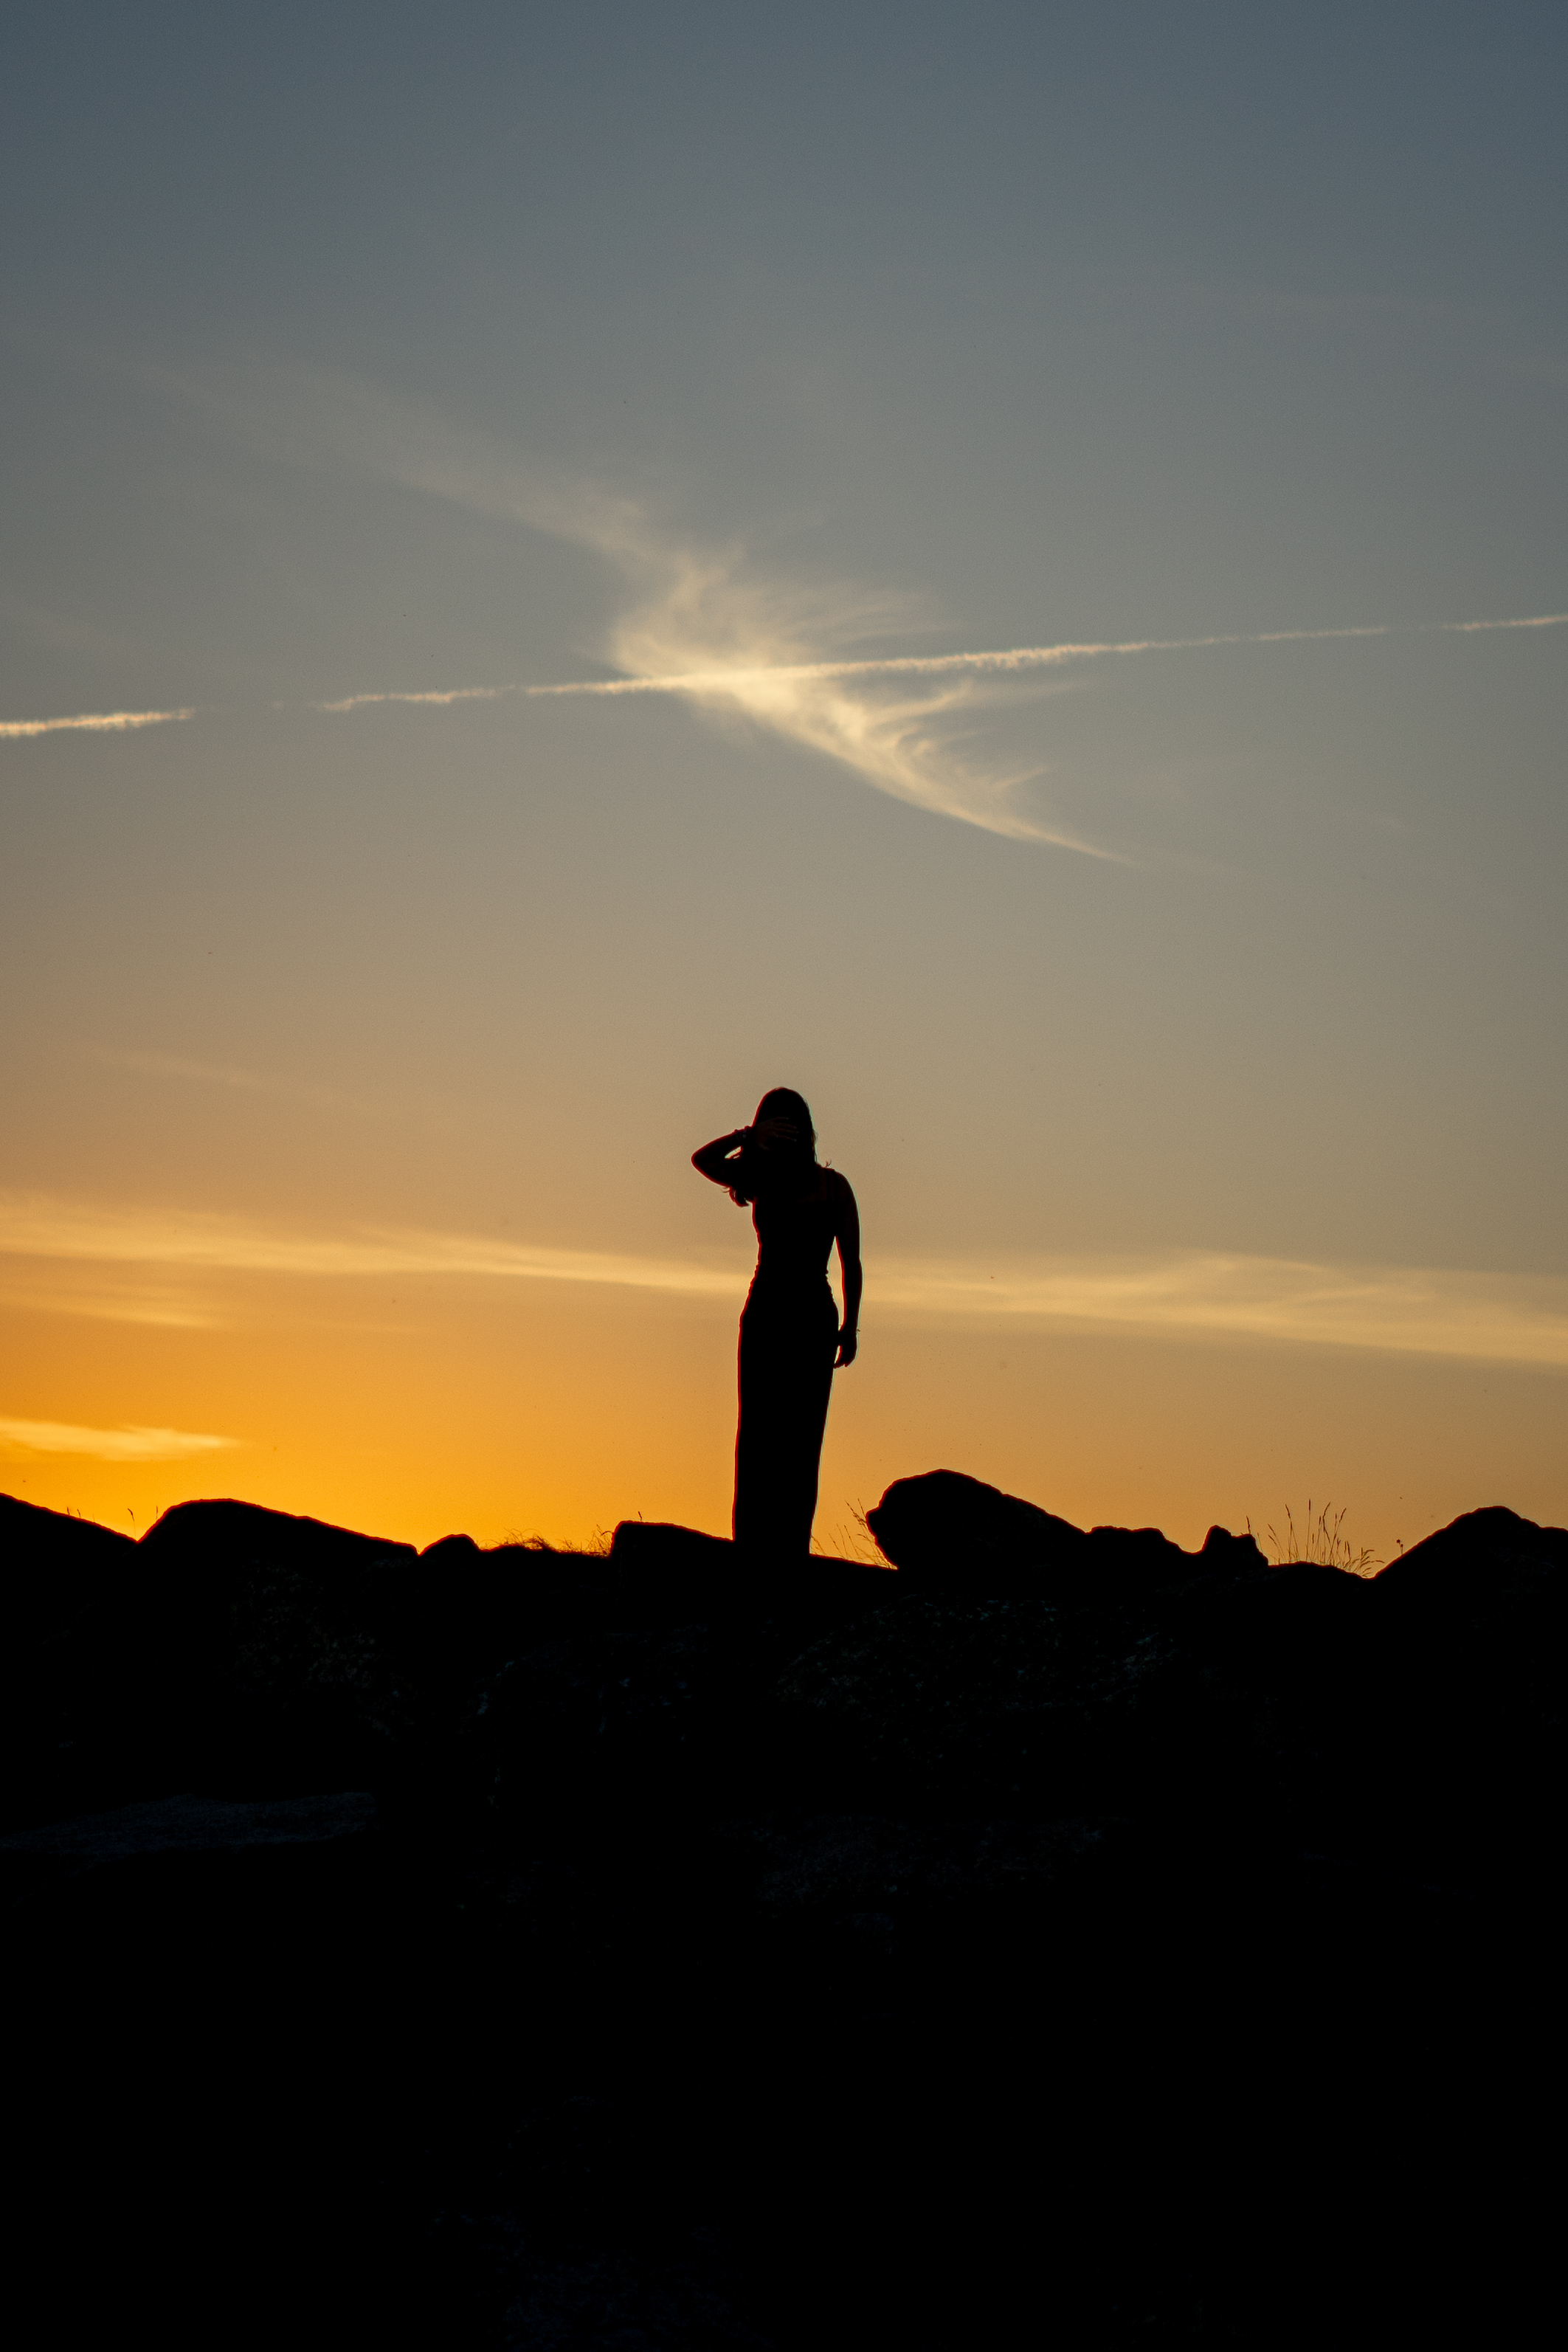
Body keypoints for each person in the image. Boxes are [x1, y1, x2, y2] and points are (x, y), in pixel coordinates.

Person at [692, 1089, 861, 1561]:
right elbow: (701, 1159)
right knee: (759, 1435)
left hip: (811, 1316)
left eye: (789, 1125)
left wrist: (851, 1326)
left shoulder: (833, 1186)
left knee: (802, 1437)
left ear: (805, 1132)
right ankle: (752, 1548)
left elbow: (852, 1261)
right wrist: (746, 1137)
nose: (783, 1133)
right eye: (774, 1125)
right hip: (766, 1312)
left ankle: (790, 1550)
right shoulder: (756, 1177)